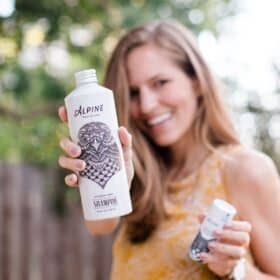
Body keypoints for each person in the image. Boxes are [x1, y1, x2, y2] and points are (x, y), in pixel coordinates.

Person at [58, 20, 280, 279]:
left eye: (160, 82)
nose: (147, 105)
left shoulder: (245, 170)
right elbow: (100, 226)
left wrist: (237, 270)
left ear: (196, 81)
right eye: (133, 92)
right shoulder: (145, 178)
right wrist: (106, 173)